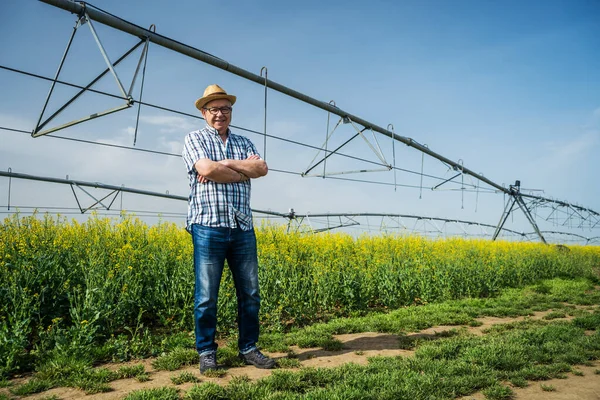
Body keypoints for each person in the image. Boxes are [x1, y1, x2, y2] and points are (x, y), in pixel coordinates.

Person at [182, 84, 275, 373]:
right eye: (214, 109)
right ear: (203, 112)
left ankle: (249, 348)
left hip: (242, 225)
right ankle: (207, 351)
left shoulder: (245, 142)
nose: (220, 114)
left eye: (225, 109)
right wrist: (239, 172)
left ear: (231, 112)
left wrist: (224, 164)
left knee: (250, 293)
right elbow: (206, 170)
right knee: (207, 295)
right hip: (208, 225)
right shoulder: (193, 138)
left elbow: (261, 169)